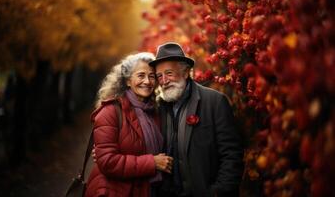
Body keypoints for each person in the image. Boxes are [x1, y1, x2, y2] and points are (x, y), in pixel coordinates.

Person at [149, 42, 244, 197]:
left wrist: (218, 192)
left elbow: (232, 155)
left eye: (169, 73)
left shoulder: (215, 102)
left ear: (185, 72)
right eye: (159, 76)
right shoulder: (159, 107)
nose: (164, 80)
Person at [85, 52, 173, 197]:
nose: (147, 81)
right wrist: (152, 163)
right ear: (127, 81)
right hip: (116, 191)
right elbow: (107, 162)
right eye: (141, 75)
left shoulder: (155, 111)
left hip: (146, 190)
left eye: (152, 76)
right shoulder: (111, 111)